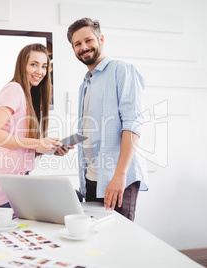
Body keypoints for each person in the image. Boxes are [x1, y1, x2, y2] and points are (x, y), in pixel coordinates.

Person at [67, 18, 148, 221]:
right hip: (92, 178)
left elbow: (132, 124)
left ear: (101, 39)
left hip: (117, 176)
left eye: (88, 40)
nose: (84, 47)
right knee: (95, 241)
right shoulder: (85, 83)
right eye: (77, 44)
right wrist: (65, 143)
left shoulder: (122, 70)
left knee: (119, 240)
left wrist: (119, 175)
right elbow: (92, 129)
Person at [0, 43, 70, 207]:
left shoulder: (28, 95)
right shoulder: (14, 89)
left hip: (19, 179)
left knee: (72, 198)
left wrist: (49, 149)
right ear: (22, 65)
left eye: (44, 66)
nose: (40, 71)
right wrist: (38, 143)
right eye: (34, 64)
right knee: (72, 199)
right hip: (6, 185)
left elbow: (20, 144)